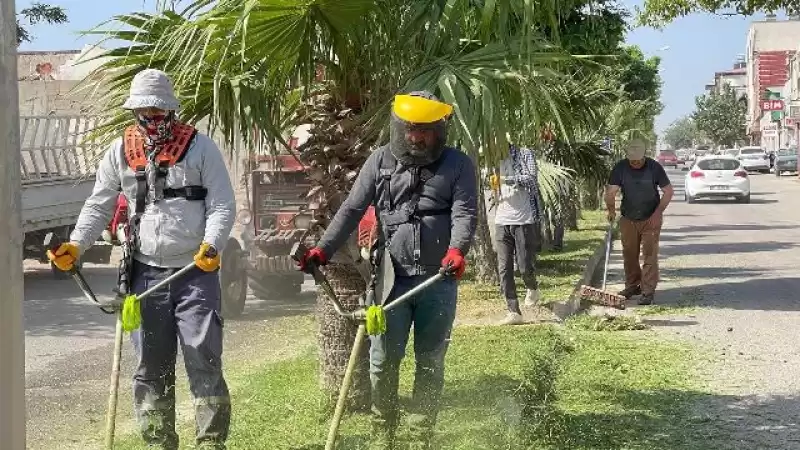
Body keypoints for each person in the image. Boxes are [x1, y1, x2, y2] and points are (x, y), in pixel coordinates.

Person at [46, 68, 236, 450]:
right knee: (150, 364)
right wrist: (78, 245)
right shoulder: (119, 151)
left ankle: (210, 443)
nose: (152, 120)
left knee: (202, 357)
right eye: (145, 113)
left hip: (195, 270)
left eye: (159, 112)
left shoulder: (202, 149)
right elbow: (98, 204)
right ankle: (157, 442)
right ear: (135, 112)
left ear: (171, 111)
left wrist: (212, 244)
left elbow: (221, 204)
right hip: (144, 273)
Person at [298, 91, 477, 449]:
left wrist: (457, 250)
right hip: (390, 281)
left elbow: (464, 213)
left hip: (436, 279)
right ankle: (383, 433)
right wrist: (322, 249)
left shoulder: (458, 165)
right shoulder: (379, 161)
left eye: (424, 130)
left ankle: (420, 434)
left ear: (439, 130)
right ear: (399, 127)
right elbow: (351, 209)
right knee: (382, 361)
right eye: (410, 129)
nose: (416, 137)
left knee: (429, 361)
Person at [605, 138, 673, 305]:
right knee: (629, 254)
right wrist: (612, 210)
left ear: (644, 156)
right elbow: (611, 192)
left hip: (651, 218)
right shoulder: (620, 167)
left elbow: (668, 191)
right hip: (628, 218)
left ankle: (647, 290)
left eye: (638, 160)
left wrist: (658, 213)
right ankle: (632, 285)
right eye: (632, 160)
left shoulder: (654, 167)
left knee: (649, 255)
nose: (635, 163)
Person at [490, 144, 544, 325]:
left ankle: (532, 288)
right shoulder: (491, 158)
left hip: (523, 218)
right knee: (504, 268)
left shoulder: (524, 153)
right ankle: (514, 311)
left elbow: (531, 179)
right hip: (501, 219)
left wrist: (506, 179)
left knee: (524, 266)